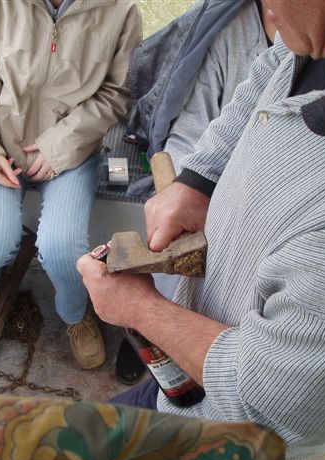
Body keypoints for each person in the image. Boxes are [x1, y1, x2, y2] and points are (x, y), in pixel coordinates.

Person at [78, 0, 325, 460]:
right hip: (190, 377)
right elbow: (268, 74)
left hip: (223, 438)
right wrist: (198, 180)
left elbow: (272, 406)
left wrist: (141, 310)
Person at [0, 0, 142, 370]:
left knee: (62, 250)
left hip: (74, 150)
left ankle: (75, 314)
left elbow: (118, 92)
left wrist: (60, 147)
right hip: (1, 146)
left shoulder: (122, 9)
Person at [115, 0, 274, 385]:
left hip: (265, 213)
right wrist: (185, 187)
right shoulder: (234, 30)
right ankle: (147, 337)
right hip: (204, 188)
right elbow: (191, 129)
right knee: (167, 248)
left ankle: (187, 345)